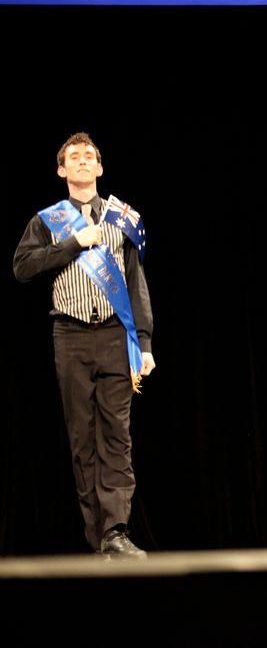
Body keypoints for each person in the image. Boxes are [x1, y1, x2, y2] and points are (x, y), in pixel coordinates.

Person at [13, 132, 155, 558]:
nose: (81, 160)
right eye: (73, 156)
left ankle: (116, 531)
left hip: (114, 334)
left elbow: (136, 284)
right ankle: (98, 540)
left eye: (89, 156)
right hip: (70, 336)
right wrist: (73, 243)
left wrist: (144, 342)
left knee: (117, 436)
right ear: (61, 170)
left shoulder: (122, 218)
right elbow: (23, 267)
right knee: (82, 438)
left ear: (99, 167)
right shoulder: (47, 221)